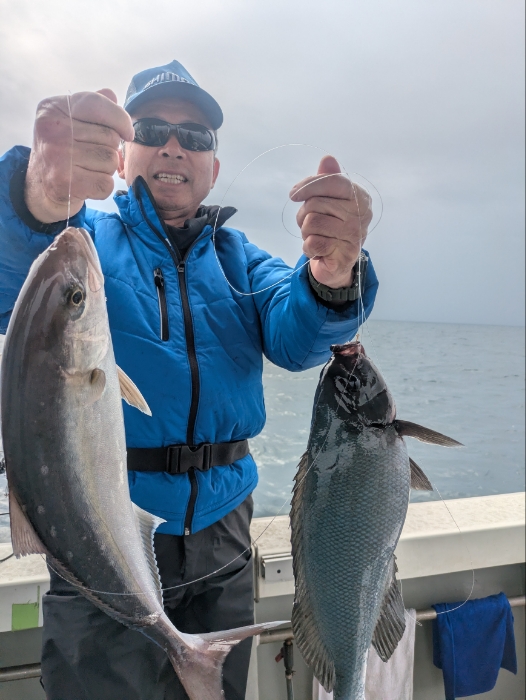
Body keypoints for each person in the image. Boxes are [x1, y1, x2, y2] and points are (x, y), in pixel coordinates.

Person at [0, 60, 378, 699]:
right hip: (97, 524)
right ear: (122, 156)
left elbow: (298, 334)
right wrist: (34, 190)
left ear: (214, 167)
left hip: (223, 541)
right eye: (151, 130)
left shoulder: (240, 260)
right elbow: (12, 273)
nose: (174, 146)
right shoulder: (79, 241)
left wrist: (335, 276)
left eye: (195, 136)